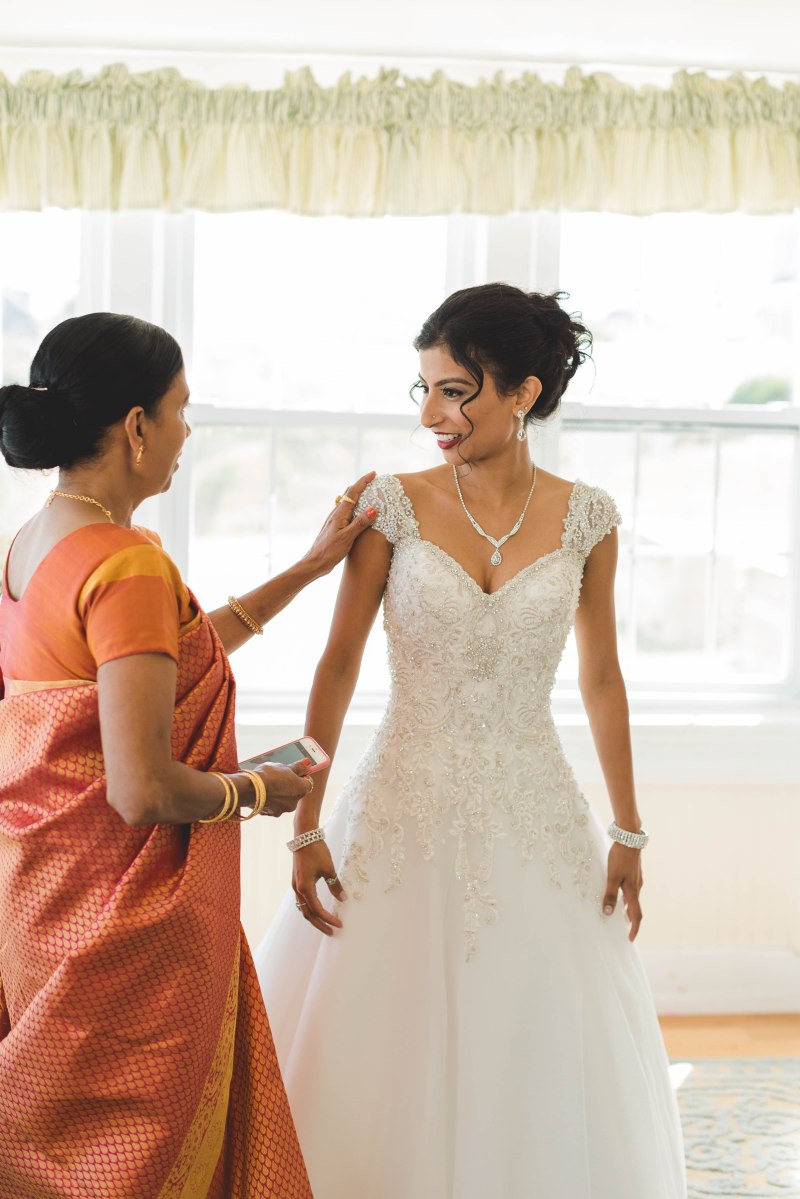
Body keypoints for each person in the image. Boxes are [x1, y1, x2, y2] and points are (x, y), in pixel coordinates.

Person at [254, 283, 687, 1198]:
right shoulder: (389, 505)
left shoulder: (588, 517)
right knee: (377, 1044)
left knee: (533, 1035)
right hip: (399, 808)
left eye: (456, 391)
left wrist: (630, 828)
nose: (431, 415)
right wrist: (305, 822)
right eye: (423, 389)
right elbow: (335, 666)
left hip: (534, 811)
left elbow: (601, 679)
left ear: (523, 393)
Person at [0, 312, 377, 1199]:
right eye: (179, 409)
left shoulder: (31, 545)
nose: (186, 431)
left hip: (40, 898)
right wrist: (258, 790)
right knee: (139, 1154)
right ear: (137, 427)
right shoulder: (128, 562)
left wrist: (312, 565)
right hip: (123, 913)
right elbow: (141, 790)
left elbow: (170, 655)